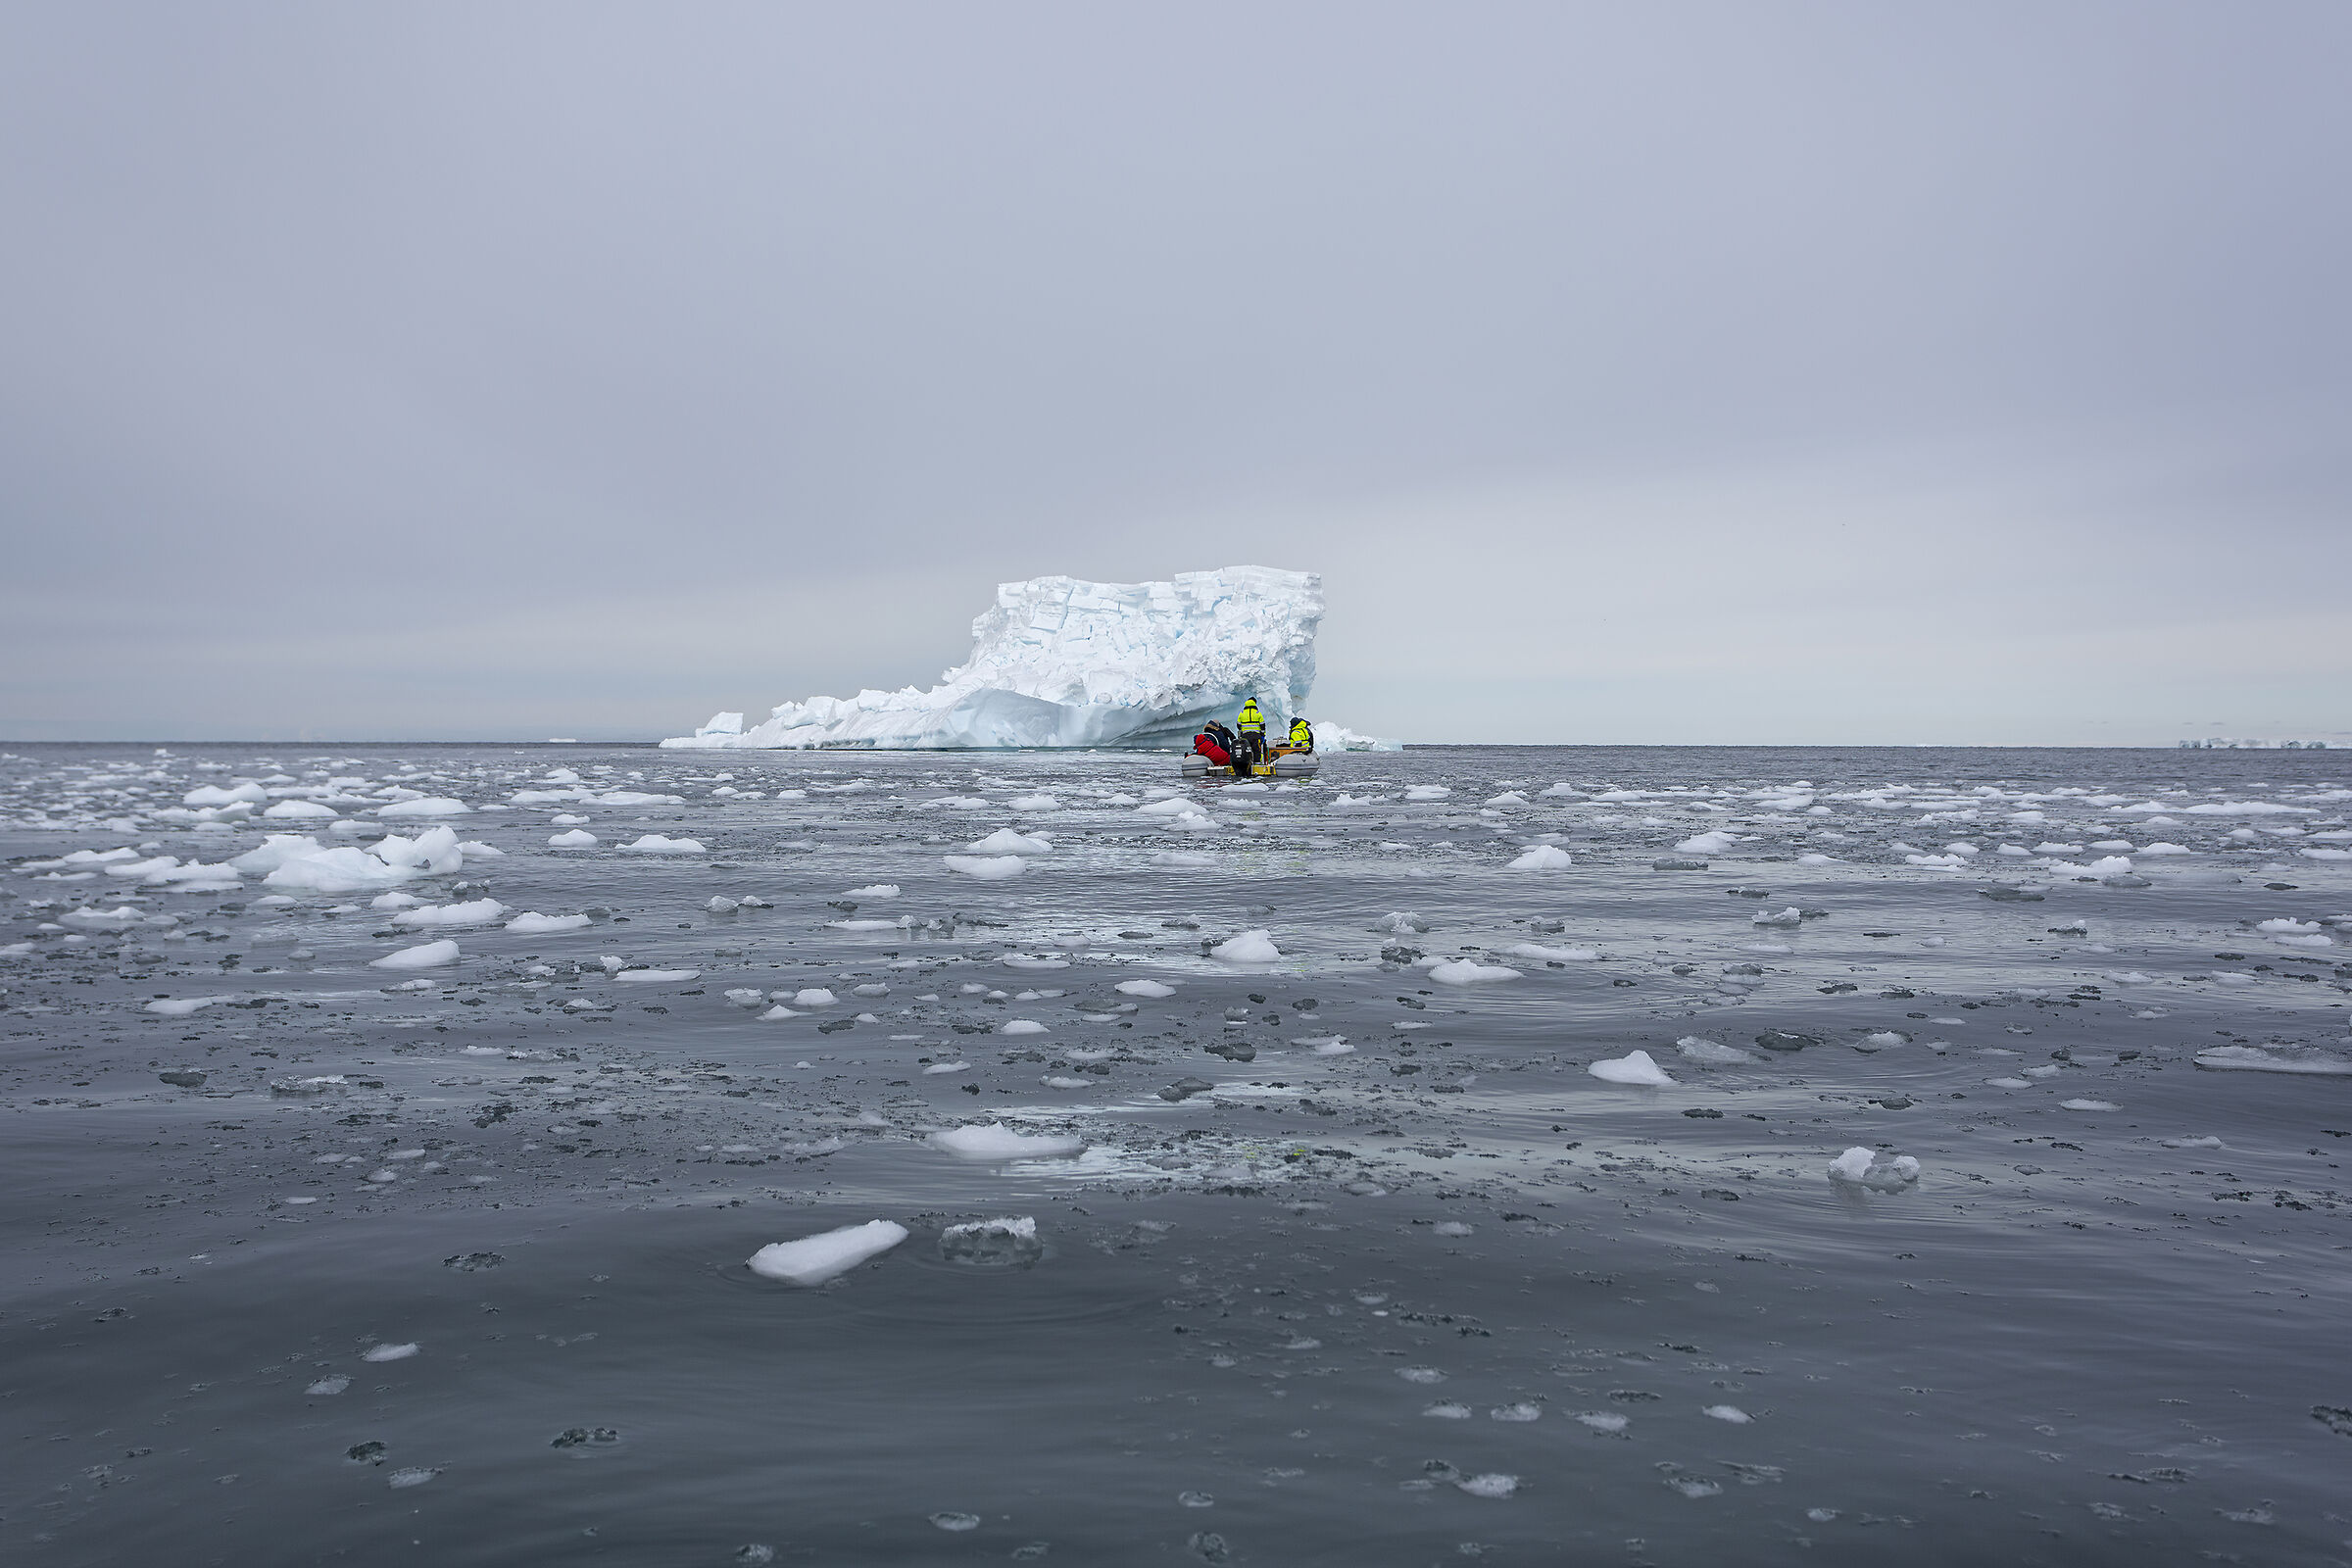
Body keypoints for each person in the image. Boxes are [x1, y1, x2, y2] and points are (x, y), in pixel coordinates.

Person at [1235, 698, 1265, 770]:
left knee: (1245, 749)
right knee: (1256, 749)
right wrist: (1262, 734)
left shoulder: (1242, 713)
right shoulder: (1258, 713)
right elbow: (1262, 725)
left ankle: (1246, 764)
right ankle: (1257, 765)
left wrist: (1243, 729)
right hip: (1256, 735)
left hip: (1245, 736)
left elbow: (1238, 725)